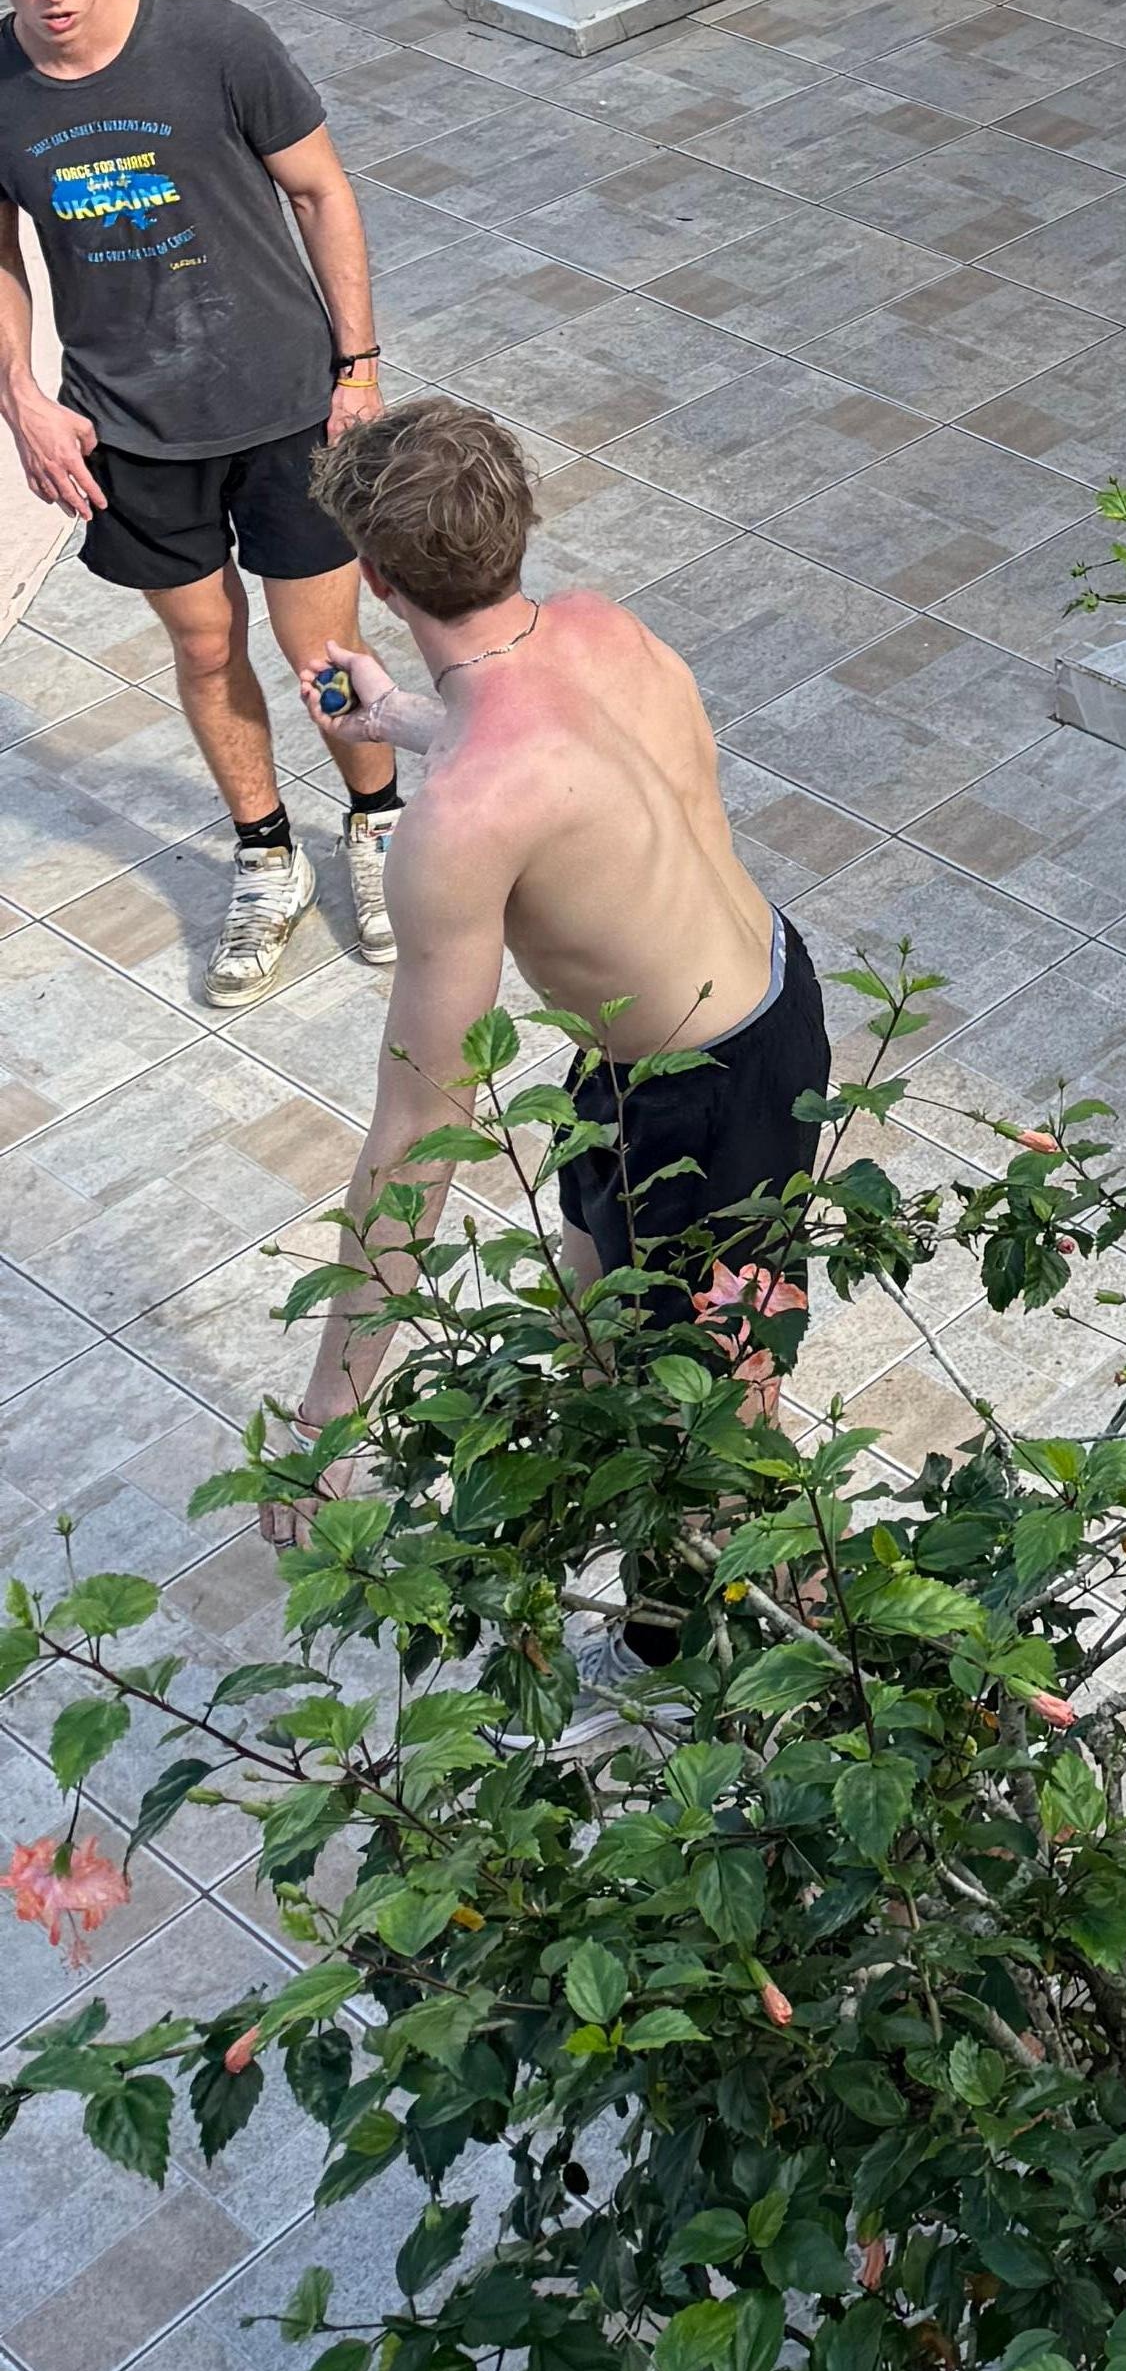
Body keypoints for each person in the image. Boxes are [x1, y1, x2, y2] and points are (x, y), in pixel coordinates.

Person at [282, 398, 823, 1560]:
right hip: (777, 989)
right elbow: (544, 738)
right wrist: (398, 718)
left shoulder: (460, 823)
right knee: (592, 1314)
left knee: (703, 1419)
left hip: (699, 1096)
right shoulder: (598, 627)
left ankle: (701, 1666)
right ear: (517, 520)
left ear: (376, 579)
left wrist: (332, 1407)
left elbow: (421, 1131)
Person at [0, 0, 400, 1002]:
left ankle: (376, 825)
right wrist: (24, 398)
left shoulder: (218, 42)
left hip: (284, 404)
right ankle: (266, 850)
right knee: (206, 644)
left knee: (320, 646)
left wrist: (360, 366)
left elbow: (322, 190)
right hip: (127, 426)